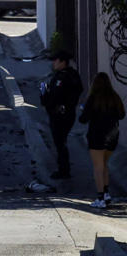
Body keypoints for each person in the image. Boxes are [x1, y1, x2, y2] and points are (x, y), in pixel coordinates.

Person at [79, 72, 125, 208]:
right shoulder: (114, 97)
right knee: (105, 165)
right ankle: (106, 193)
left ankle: (100, 198)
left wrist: (83, 110)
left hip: (97, 136)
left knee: (98, 167)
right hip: (112, 136)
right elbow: (122, 115)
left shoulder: (93, 98)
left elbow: (83, 119)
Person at [40, 50, 83, 179]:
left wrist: (49, 99)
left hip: (61, 115)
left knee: (60, 142)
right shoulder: (68, 75)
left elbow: (57, 96)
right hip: (64, 113)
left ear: (63, 62)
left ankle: (64, 170)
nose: (54, 63)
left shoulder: (64, 77)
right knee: (60, 142)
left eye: (56, 60)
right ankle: (63, 168)